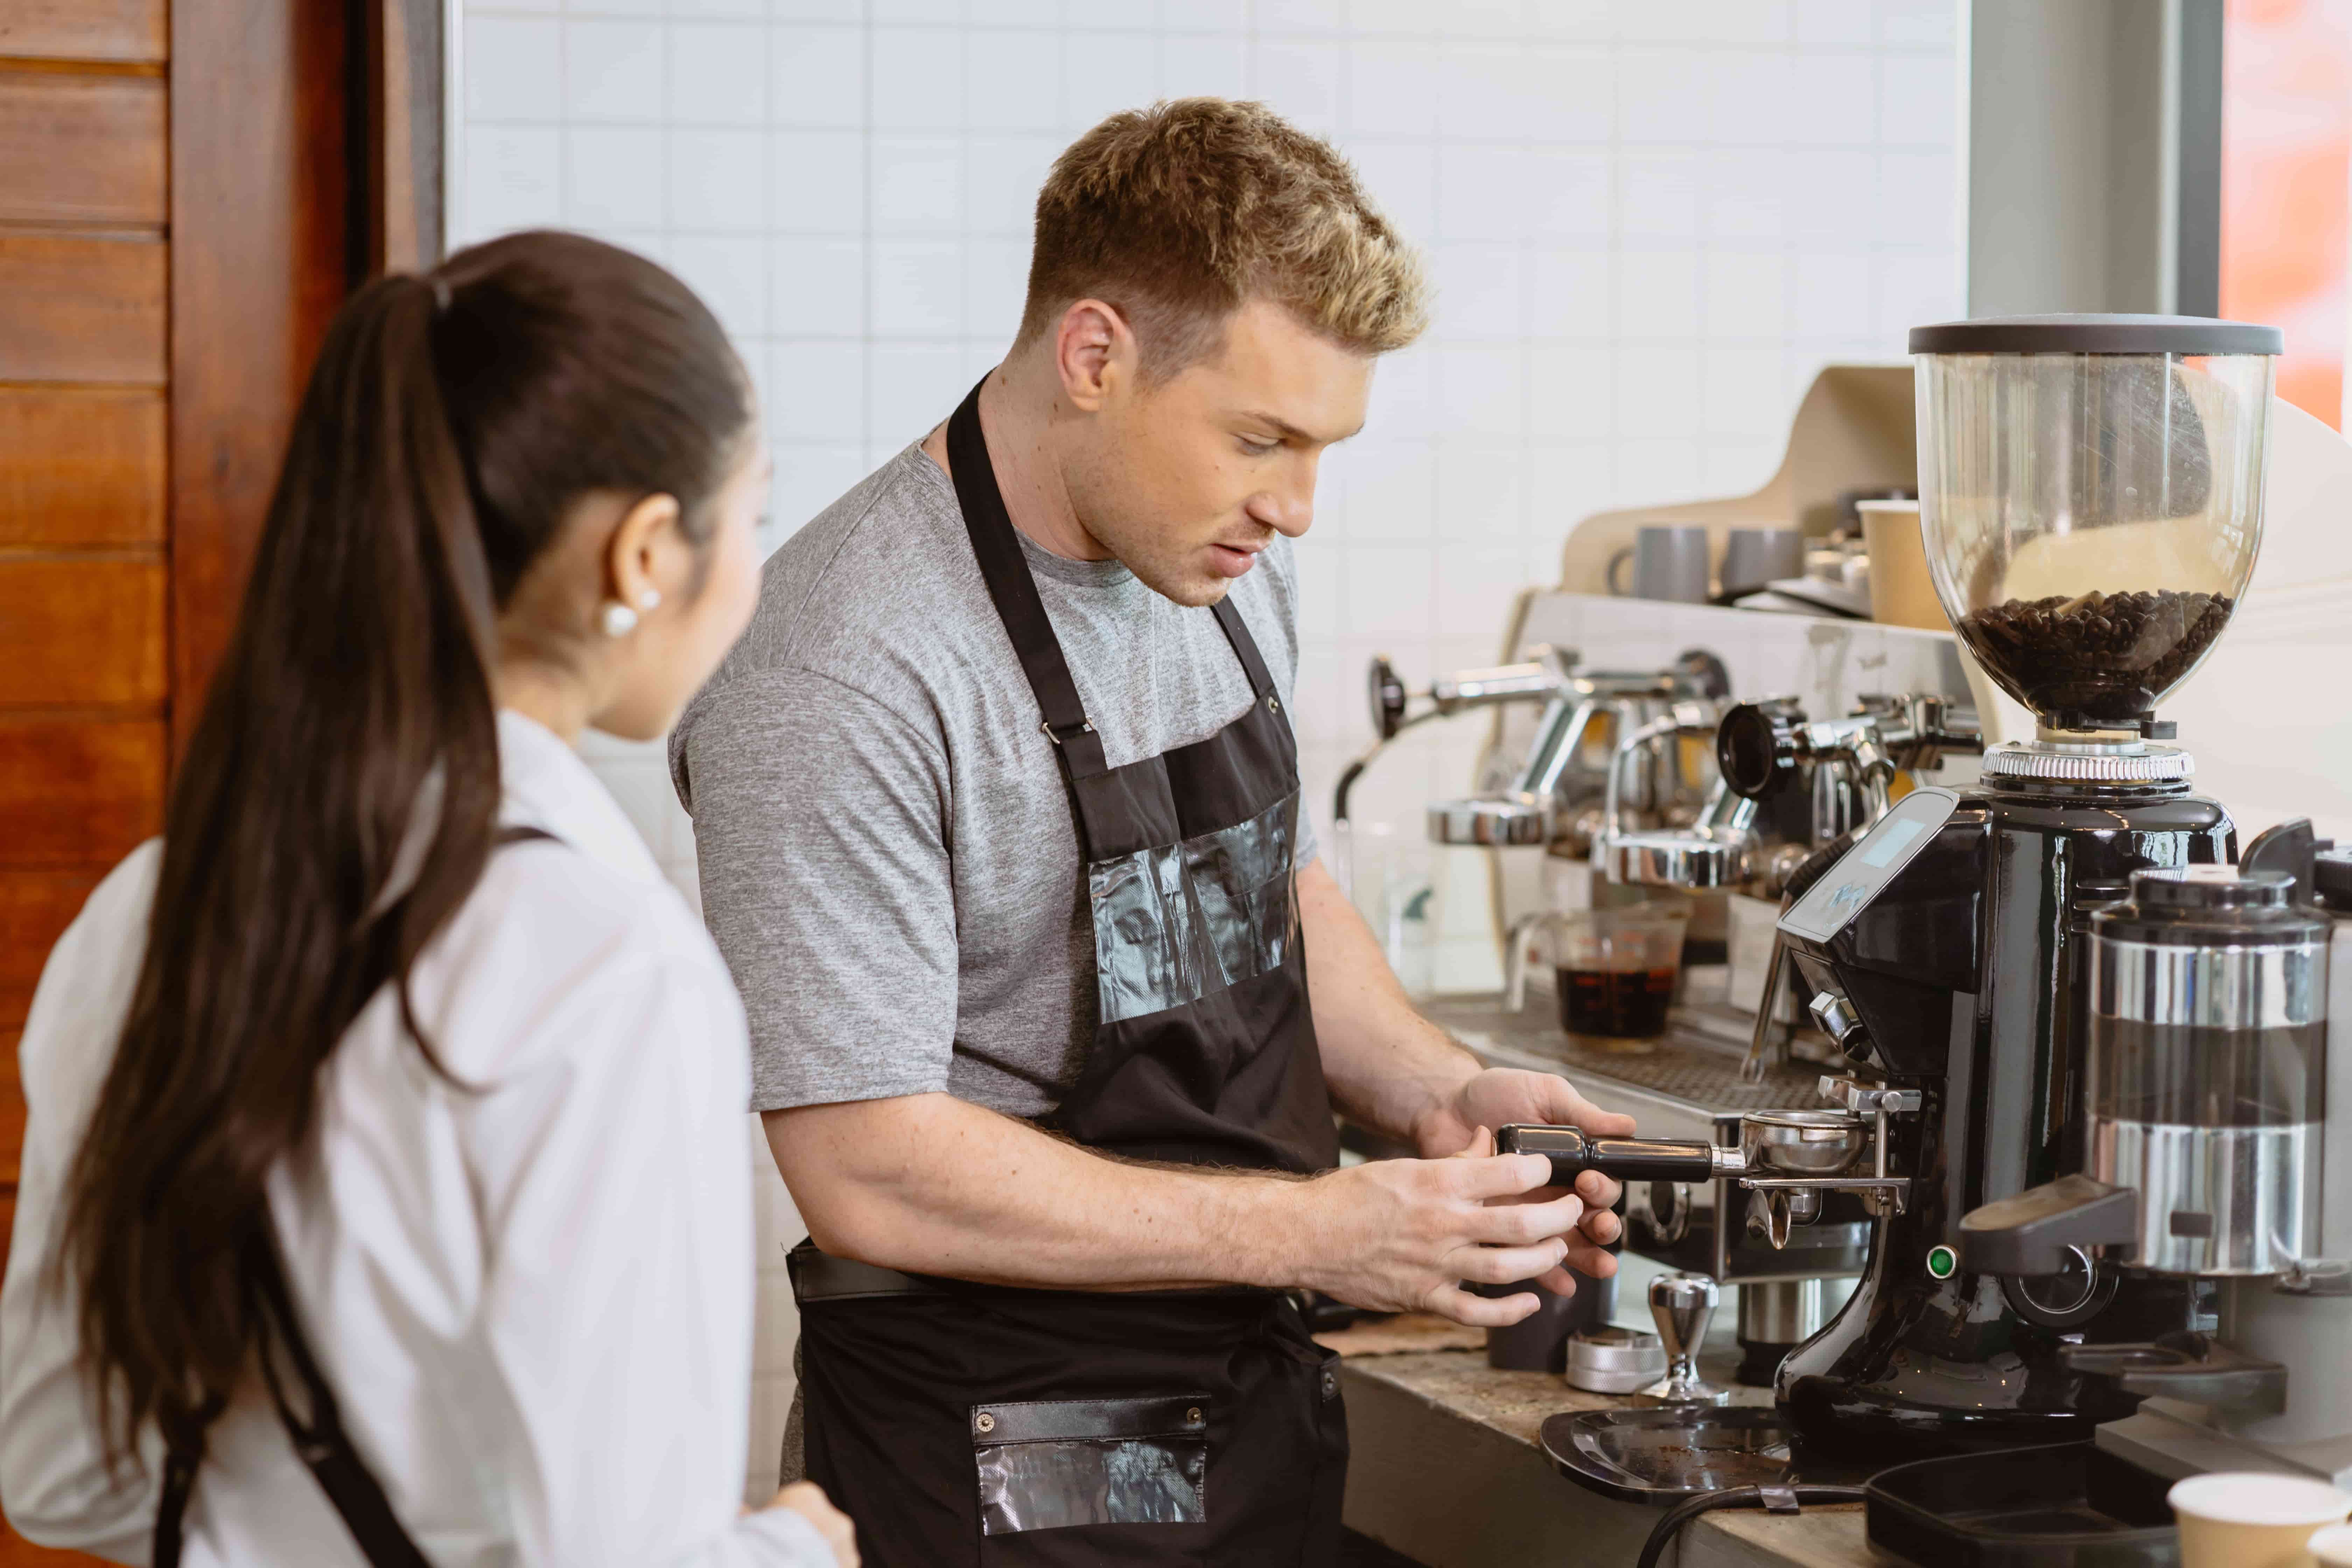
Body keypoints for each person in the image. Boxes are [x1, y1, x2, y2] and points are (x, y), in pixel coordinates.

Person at [670, 99, 1633, 1564]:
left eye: (1323, 447)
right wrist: (1328, 1231)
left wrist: (1437, 1092)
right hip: (994, 1459)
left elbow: (1270, 886)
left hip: (1244, 1404)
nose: (1295, 505)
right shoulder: (837, 667)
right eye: (1262, 437)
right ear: (1097, 355)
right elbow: (862, 1163)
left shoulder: (1219, 561)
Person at [0, 232, 855, 1568]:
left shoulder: (145, 911)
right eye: (750, 512)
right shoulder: (608, 970)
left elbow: (58, 1478)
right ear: (643, 556)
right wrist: (795, 1548)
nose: (752, 558)